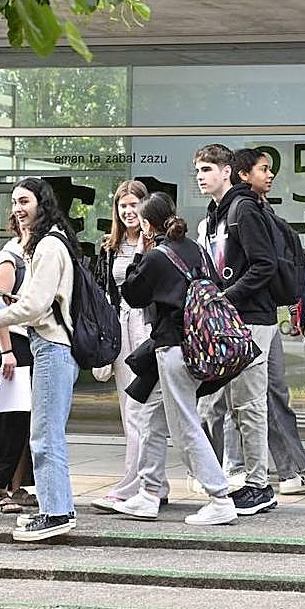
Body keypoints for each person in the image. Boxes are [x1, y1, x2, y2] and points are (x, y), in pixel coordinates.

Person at [118, 191, 238, 525]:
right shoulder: (195, 249)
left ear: (147, 224)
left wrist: (139, 253)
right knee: (150, 416)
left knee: (184, 424)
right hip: (197, 344)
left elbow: (132, 293)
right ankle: (148, 493)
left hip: (174, 348)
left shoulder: (156, 256)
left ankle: (219, 497)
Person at [0, 177, 79, 542]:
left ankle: (55, 514)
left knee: (45, 436)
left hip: (52, 346)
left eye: (24, 201)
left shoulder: (49, 245)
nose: (17, 209)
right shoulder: (50, 242)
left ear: (42, 204)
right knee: (46, 433)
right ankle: (58, 508)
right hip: (50, 346)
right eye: (14, 202)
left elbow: (36, 305)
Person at [232, 148, 305, 495]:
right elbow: (263, 265)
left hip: (261, 313)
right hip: (250, 315)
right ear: (243, 174)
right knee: (255, 397)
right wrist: (226, 299)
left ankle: (288, 470)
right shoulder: (244, 211)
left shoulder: (255, 209)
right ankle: (270, 470)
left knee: (267, 395)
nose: (270, 175)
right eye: (263, 169)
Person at [194, 144, 279, 515]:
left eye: (207, 169)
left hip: (252, 318)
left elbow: (265, 264)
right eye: (198, 170)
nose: (200, 176)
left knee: (249, 404)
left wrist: (225, 296)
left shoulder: (242, 208)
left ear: (227, 171)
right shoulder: (216, 213)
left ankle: (259, 485)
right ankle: (239, 478)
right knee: (223, 403)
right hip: (231, 319)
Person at [89, 180, 173, 514]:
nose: (128, 211)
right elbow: (101, 291)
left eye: (133, 204)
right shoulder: (109, 246)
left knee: (145, 409)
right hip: (121, 327)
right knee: (130, 409)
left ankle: (137, 486)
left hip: (149, 327)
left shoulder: (158, 245)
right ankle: (152, 484)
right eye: (122, 205)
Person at [0, 214, 36, 515]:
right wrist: (7, 352)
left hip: (28, 345)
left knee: (24, 421)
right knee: (8, 421)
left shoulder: (36, 255)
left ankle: (17, 486)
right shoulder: (9, 258)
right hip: (12, 347)